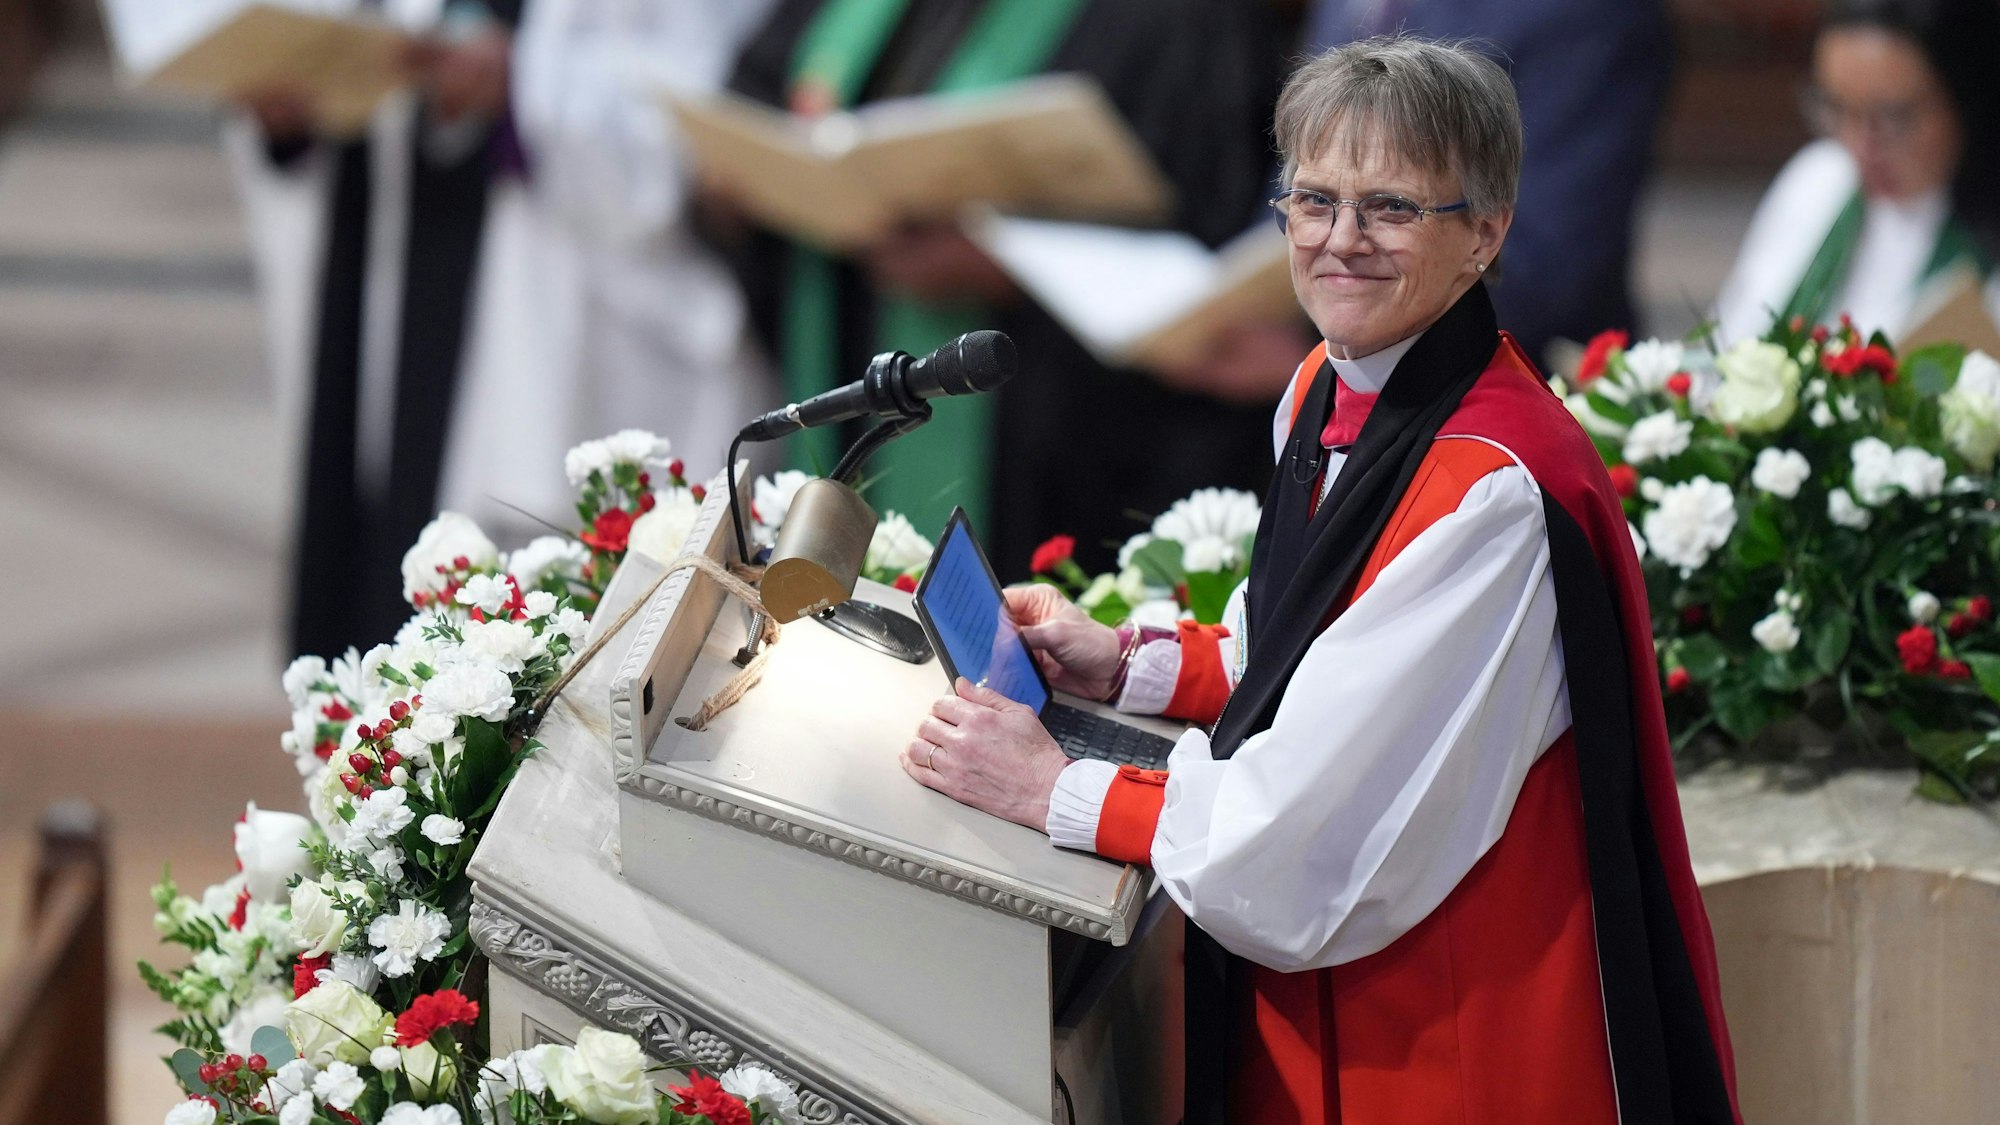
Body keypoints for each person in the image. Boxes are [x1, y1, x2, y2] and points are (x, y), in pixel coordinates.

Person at [898, 37, 1740, 1123]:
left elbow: (1293, 843)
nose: (1339, 241)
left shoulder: (1487, 490)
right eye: (1312, 200)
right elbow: (1311, 644)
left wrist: (1049, 787)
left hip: (1447, 1038)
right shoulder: (1331, 384)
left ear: (1484, 234)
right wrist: (1134, 666)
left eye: (1389, 208)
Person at [714, 0, 1283, 578]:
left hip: (1041, 426)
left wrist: (1010, 259)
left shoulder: (1181, 20)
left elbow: (1211, 226)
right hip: (851, 323)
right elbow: (759, 87)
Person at [226, 0, 526, 658]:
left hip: (488, 235)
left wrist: (502, 78)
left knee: (463, 540)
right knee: (349, 472)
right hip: (358, 211)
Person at [434, 0, 781, 541]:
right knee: (527, 569)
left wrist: (521, 82)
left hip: (668, 299)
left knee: (663, 560)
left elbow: (702, 80)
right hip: (544, 270)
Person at [1303, 0, 1670, 368]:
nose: (1342, 239)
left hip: (1507, 369)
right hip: (1320, 354)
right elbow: (1301, 160)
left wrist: (1317, 342)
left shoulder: (1583, 14)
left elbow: (1550, 261)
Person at [1713, 0, 2000, 345]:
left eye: (1892, 117)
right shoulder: (1820, 177)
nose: (1859, 145)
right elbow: (1727, 343)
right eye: (1836, 108)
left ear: (1967, 96)